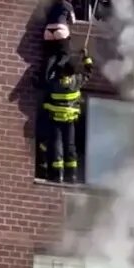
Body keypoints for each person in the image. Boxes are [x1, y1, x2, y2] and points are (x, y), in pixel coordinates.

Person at [39, 53, 93, 183]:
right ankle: (72, 175)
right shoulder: (77, 81)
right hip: (70, 120)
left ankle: (58, 175)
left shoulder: (55, 83)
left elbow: (45, 90)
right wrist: (86, 57)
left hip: (56, 120)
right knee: (70, 146)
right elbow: (89, 71)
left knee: (57, 145)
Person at [43, 0, 76, 80]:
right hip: (61, 29)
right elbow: (73, 21)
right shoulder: (68, 5)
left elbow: (46, 15)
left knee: (51, 55)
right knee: (66, 54)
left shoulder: (50, 4)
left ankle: (46, 77)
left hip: (48, 31)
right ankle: (59, 67)